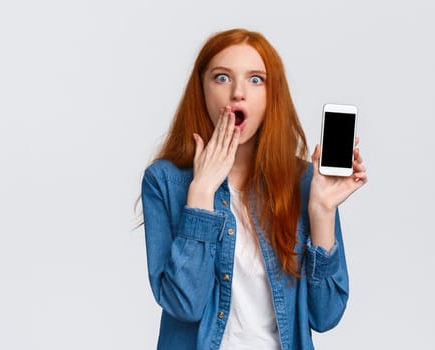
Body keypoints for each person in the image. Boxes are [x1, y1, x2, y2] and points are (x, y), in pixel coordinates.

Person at [139, 28, 367, 350]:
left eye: (256, 80)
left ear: (271, 95)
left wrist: (322, 212)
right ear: (201, 90)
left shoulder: (302, 182)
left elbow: (326, 315)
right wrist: (201, 193)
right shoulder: (165, 181)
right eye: (222, 78)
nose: (238, 93)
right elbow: (184, 304)